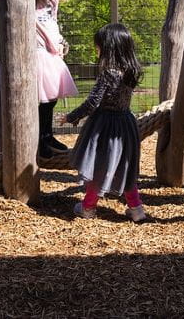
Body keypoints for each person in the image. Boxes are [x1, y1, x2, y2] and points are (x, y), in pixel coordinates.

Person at [0, 0, 78, 159]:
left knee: (51, 97)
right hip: (32, 53)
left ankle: (46, 135)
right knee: (37, 99)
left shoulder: (52, 0)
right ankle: (37, 139)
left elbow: (52, 23)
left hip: (50, 53)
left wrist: (61, 41)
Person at [60, 23, 146, 222]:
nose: (96, 49)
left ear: (109, 48)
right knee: (125, 167)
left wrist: (71, 116)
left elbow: (92, 103)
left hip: (106, 127)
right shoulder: (129, 71)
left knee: (100, 167)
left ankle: (88, 207)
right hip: (126, 124)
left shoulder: (108, 72)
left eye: (99, 46)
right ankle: (136, 209)